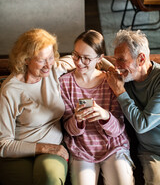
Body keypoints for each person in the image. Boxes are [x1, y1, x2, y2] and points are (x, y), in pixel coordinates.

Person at [0, 28, 76, 185]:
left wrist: (110, 68)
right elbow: (4, 144)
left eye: (50, 57)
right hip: (19, 152)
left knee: (49, 179)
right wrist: (44, 148)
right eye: (41, 60)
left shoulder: (54, 70)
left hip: (54, 147)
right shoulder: (11, 90)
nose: (48, 65)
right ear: (26, 59)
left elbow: (85, 57)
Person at [59, 30, 135, 185]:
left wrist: (105, 116)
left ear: (100, 58)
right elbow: (69, 129)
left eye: (86, 58)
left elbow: (117, 130)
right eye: (76, 55)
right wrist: (77, 120)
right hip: (81, 149)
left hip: (114, 146)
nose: (79, 62)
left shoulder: (110, 81)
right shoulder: (64, 83)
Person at [106, 29, 160, 185]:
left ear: (141, 59)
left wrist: (120, 92)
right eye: (115, 60)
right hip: (151, 153)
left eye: (121, 60)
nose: (117, 66)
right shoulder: (126, 79)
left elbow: (142, 125)